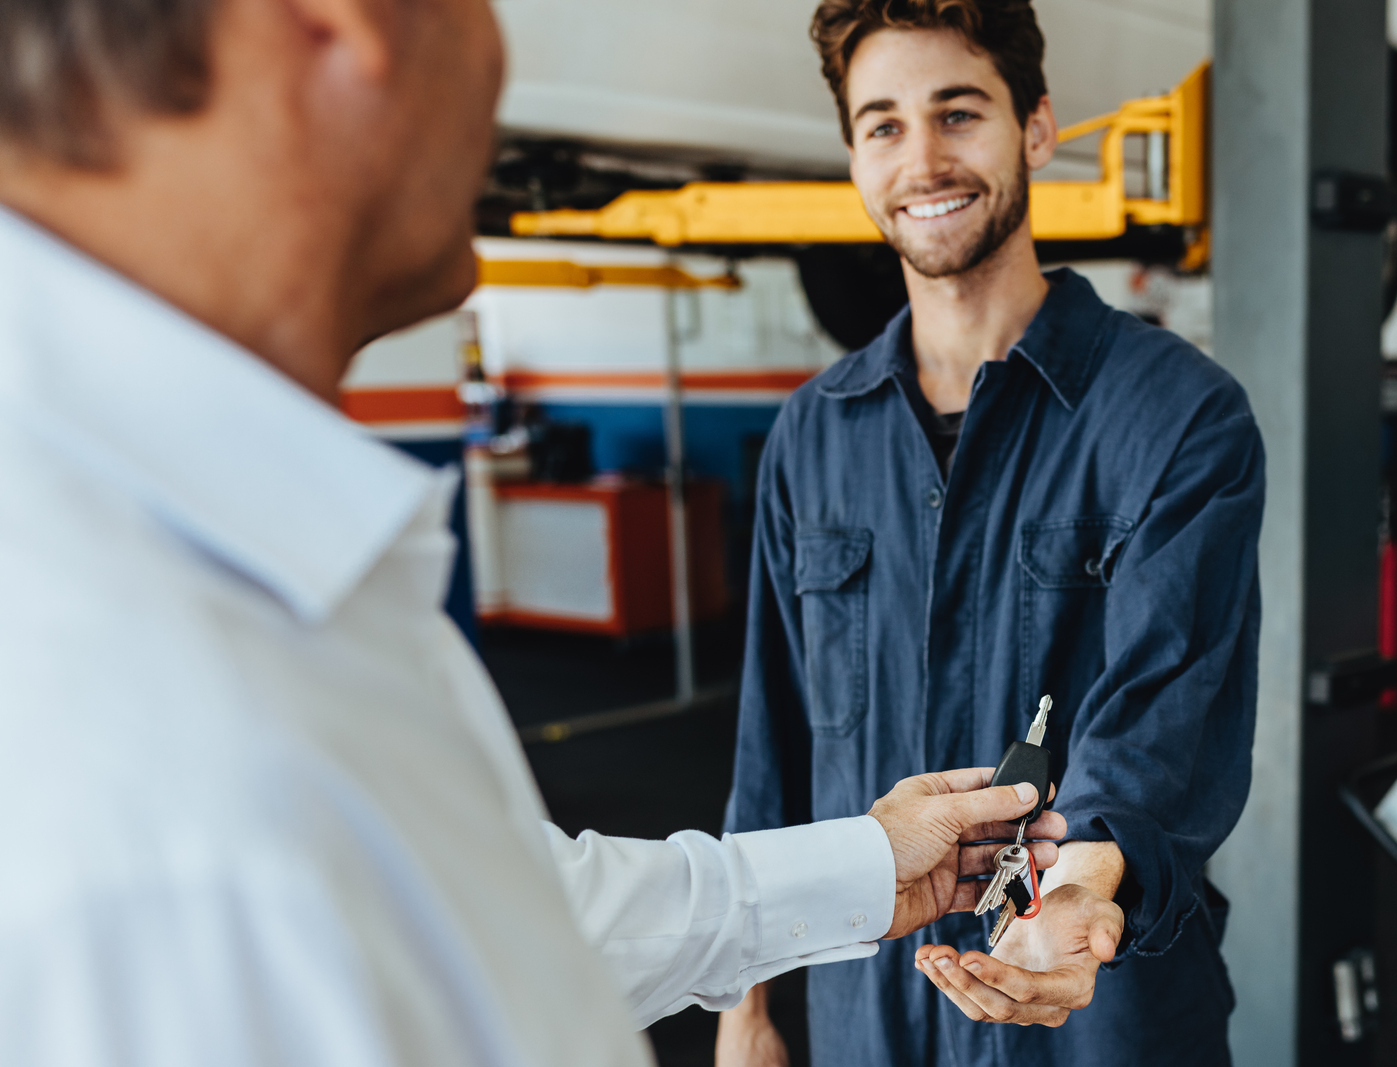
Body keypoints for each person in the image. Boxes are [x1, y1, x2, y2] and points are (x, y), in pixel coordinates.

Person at [0, 0, 1067, 1063]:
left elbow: (499, 912)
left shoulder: (202, 586)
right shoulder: (142, 758)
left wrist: (865, 864)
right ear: (342, 20)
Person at [719, 1, 1265, 1064]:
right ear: (854, 157)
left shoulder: (1178, 414)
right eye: (883, 125)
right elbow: (770, 746)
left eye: (958, 113)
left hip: (1088, 1005)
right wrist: (747, 1005)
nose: (922, 160)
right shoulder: (812, 433)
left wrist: (1081, 884)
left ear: (1037, 129)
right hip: (868, 1009)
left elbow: (1165, 715)